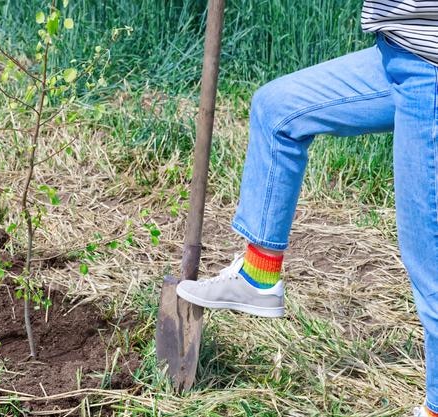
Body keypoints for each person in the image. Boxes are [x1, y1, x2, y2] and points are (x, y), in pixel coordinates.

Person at [175, 1, 438, 415]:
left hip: (431, 65)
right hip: (397, 54)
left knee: (430, 264)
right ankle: (258, 277)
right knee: (278, 110)